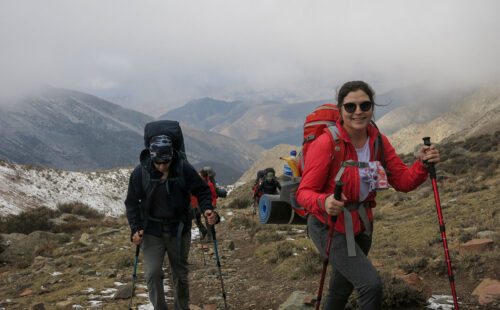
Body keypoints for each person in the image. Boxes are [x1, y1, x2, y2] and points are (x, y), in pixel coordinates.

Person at [296, 80, 440, 310]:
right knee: (370, 285)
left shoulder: (378, 141)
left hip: (362, 225)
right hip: (328, 224)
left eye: (365, 105)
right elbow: (303, 193)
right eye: (350, 107)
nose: (358, 112)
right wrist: (324, 201)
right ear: (340, 110)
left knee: (342, 288)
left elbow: (402, 181)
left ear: (372, 107)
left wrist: (422, 164)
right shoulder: (327, 143)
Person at [125, 134, 219, 310]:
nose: (161, 166)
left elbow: (203, 191)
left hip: (179, 229)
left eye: (165, 162)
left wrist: (207, 208)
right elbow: (131, 202)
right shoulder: (140, 173)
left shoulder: (183, 169)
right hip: (151, 231)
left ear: (172, 156)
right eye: (157, 162)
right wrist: (135, 229)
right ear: (151, 157)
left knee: (180, 274)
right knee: (153, 274)